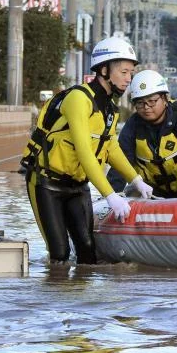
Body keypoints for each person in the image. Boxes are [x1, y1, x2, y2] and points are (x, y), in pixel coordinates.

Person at [20, 37, 153, 264]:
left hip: (78, 187)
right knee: (60, 255)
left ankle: (83, 297)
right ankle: (55, 293)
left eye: (131, 73)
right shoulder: (78, 99)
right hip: (46, 183)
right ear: (103, 69)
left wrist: (136, 179)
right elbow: (84, 153)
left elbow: (110, 147)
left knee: (88, 252)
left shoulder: (110, 109)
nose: (128, 79)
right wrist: (111, 195)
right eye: (123, 72)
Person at [116, 70, 177, 198]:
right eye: (140, 103)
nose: (146, 107)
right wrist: (111, 197)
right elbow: (121, 163)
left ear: (165, 99)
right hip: (152, 191)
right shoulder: (133, 126)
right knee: (129, 194)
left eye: (152, 101)